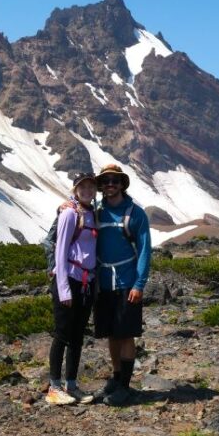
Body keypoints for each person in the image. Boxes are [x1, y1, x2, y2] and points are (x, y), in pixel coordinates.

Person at [91, 164, 152, 406]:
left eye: (115, 181)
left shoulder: (135, 213)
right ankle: (116, 378)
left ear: (122, 184)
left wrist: (139, 284)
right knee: (111, 335)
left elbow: (145, 250)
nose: (110, 185)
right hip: (103, 284)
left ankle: (125, 386)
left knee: (125, 334)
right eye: (105, 181)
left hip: (127, 282)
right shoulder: (96, 211)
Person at [46, 173, 99, 406]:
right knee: (62, 334)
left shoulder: (92, 214)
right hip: (69, 279)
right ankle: (54, 387)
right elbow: (60, 251)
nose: (87, 190)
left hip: (86, 283)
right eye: (83, 187)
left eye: (91, 186)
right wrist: (64, 289)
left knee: (77, 336)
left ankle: (72, 384)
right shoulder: (70, 213)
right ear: (75, 189)